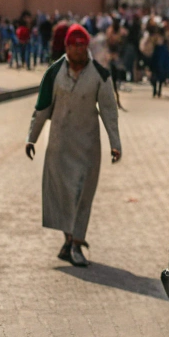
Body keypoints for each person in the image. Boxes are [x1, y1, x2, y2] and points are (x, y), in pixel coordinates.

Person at [25, 23, 121, 267]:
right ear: (66, 46)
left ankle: (76, 243)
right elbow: (42, 108)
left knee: (82, 196)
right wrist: (32, 138)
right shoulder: (53, 73)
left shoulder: (101, 75)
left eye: (82, 45)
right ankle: (69, 240)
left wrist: (115, 143)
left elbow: (109, 111)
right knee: (64, 196)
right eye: (74, 45)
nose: (78, 49)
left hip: (88, 148)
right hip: (59, 146)